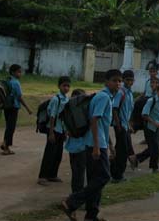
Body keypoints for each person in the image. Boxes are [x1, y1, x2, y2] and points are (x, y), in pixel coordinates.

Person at [60, 69, 122, 221]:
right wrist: (96, 146)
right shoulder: (103, 97)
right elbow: (94, 120)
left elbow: (103, 125)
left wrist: (109, 145)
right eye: (115, 80)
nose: (118, 84)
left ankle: (91, 215)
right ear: (107, 81)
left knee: (96, 179)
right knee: (104, 177)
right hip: (95, 144)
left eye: (119, 81)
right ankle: (71, 202)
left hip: (97, 143)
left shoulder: (106, 97)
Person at [37, 76, 70, 185]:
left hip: (61, 130)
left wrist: (65, 131)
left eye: (68, 86)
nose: (66, 88)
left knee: (58, 154)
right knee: (49, 154)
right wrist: (51, 132)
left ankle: (52, 175)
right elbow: (52, 116)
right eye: (64, 85)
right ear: (59, 86)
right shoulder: (56, 99)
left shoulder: (66, 99)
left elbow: (65, 117)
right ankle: (42, 176)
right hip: (54, 129)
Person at [1, 64, 32, 156]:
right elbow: (19, 97)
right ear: (13, 72)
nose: (20, 74)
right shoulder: (16, 82)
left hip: (6, 106)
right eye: (19, 72)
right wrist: (28, 108)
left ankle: (5, 142)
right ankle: (6, 147)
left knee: (8, 126)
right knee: (11, 127)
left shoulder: (7, 80)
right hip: (13, 106)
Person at [136, 83, 159, 173]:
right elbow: (144, 115)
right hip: (149, 127)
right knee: (155, 148)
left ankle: (136, 158)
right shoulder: (151, 100)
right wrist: (154, 123)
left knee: (153, 148)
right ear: (157, 92)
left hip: (157, 127)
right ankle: (154, 168)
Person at [111, 70, 135, 183]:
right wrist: (119, 125)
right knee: (122, 151)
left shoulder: (130, 93)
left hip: (125, 125)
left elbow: (128, 111)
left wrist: (128, 124)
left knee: (121, 149)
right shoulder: (121, 92)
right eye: (127, 80)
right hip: (120, 126)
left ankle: (114, 171)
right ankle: (117, 175)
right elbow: (115, 109)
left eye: (131, 80)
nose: (129, 82)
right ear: (123, 80)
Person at [64, 89, 87, 194]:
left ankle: (75, 193)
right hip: (81, 146)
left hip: (72, 146)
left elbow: (67, 131)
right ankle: (77, 195)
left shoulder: (68, 111)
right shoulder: (82, 113)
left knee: (76, 172)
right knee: (80, 172)